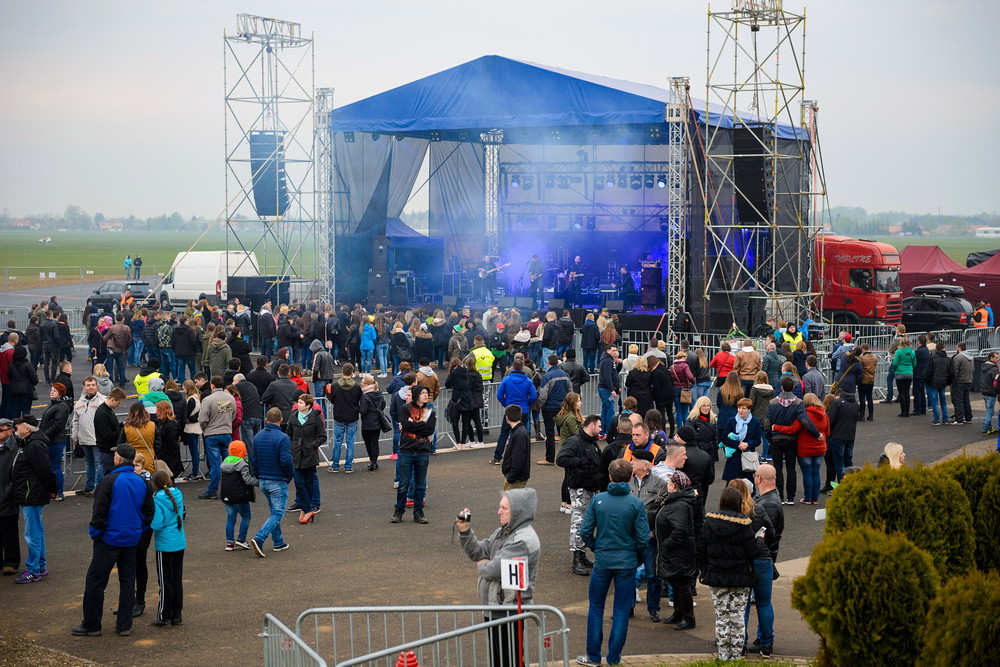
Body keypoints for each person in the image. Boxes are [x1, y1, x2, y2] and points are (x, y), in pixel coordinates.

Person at [73, 443, 154, 637]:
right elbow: (149, 512)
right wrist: (138, 530)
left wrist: (96, 533)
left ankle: (92, 624)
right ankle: (124, 625)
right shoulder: (142, 482)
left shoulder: (109, 480)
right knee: (127, 581)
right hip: (131, 539)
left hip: (109, 538)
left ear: (118, 459)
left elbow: (99, 511)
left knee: (95, 580)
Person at [575, 459, 649, 667]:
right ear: (630, 477)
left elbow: (585, 531)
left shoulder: (598, 500)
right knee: (621, 610)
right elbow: (643, 537)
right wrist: (636, 555)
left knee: (596, 607)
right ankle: (614, 658)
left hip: (603, 561)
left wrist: (596, 547)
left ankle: (593, 656)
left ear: (610, 477)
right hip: (626, 562)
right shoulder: (636, 503)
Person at [457, 488, 541, 667]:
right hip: (496, 609)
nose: (498, 512)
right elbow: (479, 551)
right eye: (500, 507)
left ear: (518, 511)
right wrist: (465, 532)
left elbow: (493, 569)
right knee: (499, 660)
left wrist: (481, 565)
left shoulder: (522, 540)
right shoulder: (503, 532)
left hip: (509, 612)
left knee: (509, 660)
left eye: (504, 508)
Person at [697, 486, 767, 662]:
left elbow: (700, 549)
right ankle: (735, 657)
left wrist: (704, 568)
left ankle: (722, 656)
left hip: (716, 577)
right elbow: (753, 552)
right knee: (736, 618)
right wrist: (760, 540)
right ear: (739, 503)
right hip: (740, 578)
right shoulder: (744, 525)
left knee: (721, 617)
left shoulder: (709, 522)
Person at [556, 414, 604, 576]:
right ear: (591, 426)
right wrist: (581, 461)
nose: (600, 429)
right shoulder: (575, 441)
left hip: (592, 487)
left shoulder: (592, 443)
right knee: (579, 522)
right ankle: (576, 557)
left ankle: (582, 555)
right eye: (599, 426)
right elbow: (561, 459)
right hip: (580, 489)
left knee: (588, 522)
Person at [10, 416, 56, 584]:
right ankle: (40, 566)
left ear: (27, 429)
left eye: (18, 426)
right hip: (31, 493)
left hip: (32, 494)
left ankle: (33, 570)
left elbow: (45, 470)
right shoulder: (29, 443)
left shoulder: (34, 445)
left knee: (32, 534)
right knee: (37, 531)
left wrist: (52, 489)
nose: (15, 428)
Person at [652, 469, 698, 630]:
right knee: (675, 582)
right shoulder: (676, 501)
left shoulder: (679, 504)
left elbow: (679, 530)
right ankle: (679, 613)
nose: (668, 485)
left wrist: (667, 545)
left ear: (675, 486)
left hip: (678, 552)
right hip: (676, 551)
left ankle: (688, 617)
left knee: (681, 584)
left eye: (670, 483)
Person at [746, 463, 783, 657]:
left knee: (762, 603)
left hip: (761, 559)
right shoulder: (770, 499)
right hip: (766, 558)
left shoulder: (767, 504)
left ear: (759, 479)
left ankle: (765, 640)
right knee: (764, 603)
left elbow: (767, 534)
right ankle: (764, 640)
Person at [766, 376, 820, 505]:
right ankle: (790, 497)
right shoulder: (798, 403)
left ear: (782, 387)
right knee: (791, 468)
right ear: (793, 388)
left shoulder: (772, 403)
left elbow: (767, 422)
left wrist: (769, 437)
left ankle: (779, 496)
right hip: (791, 440)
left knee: (777, 468)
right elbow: (805, 421)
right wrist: (816, 434)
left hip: (776, 438)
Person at [628, 448, 667, 621]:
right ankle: (627, 607)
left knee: (653, 575)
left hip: (649, 538)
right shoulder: (626, 481)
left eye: (634, 460)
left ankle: (653, 609)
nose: (630, 463)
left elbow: (664, 512)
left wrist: (654, 532)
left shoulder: (660, 484)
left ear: (645, 465)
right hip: (629, 538)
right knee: (627, 573)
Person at [250, 408, 293, 557]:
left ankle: (278, 541)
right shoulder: (283, 438)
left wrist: (258, 475)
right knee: (278, 513)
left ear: (266, 420)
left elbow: (254, 460)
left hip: (263, 479)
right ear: (281, 420)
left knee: (274, 511)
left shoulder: (257, 437)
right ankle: (259, 538)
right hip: (277, 479)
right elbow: (286, 460)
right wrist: (289, 476)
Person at [774, 393, 830, 504]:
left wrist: (776, 427)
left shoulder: (803, 414)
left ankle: (808, 498)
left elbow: (793, 429)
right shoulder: (824, 414)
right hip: (820, 447)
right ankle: (815, 498)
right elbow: (827, 432)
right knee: (816, 472)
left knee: (807, 473)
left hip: (805, 448)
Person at [148, 470, 185, 628]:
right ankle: (177, 613)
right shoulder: (177, 493)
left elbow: (157, 523)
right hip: (179, 541)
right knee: (176, 578)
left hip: (165, 544)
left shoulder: (158, 499)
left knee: (165, 581)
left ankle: (164, 615)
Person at [287, 394, 325, 523]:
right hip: (297, 453)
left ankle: (306, 509)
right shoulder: (293, 416)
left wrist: (312, 445)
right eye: (298, 402)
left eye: (301, 403)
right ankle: (306, 508)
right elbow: (289, 434)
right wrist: (292, 446)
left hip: (309, 454)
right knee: (299, 482)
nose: (298, 404)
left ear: (308, 405)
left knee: (309, 483)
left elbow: (322, 436)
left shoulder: (316, 417)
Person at [491, 360, 537, 464]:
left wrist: (506, 404)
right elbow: (533, 396)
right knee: (521, 434)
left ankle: (497, 457)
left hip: (510, 409)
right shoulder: (528, 381)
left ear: (512, 367)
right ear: (522, 367)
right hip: (523, 410)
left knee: (504, 433)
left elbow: (499, 395)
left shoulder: (506, 380)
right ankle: (520, 457)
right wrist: (527, 403)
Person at [198, 376, 236, 499]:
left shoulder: (208, 400)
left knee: (215, 465)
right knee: (228, 464)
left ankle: (212, 490)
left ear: (212, 385)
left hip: (212, 434)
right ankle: (230, 489)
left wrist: (205, 429)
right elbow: (233, 414)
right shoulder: (230, 398)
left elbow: (203, 419)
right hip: (226, 432)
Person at [220, 440, 257, 551]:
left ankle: (229, 542)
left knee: (231, 518)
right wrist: (259, 482)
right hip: (240, 496)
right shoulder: (242, 464)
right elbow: (247, 480)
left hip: (227, 496)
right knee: (246, 516)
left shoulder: (225, 462)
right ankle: (241, 539)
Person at [326, 363, 361, 473]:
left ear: (342, 372)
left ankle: (335, 465)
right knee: (350, 442)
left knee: (337, 442)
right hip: (352, 416)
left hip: (339, 415)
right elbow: (359, 398)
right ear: (352, 372)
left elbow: (332, 399)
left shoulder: (335, 385)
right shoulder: (356, 386)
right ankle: (348, 466)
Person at [0, 419, 21, 575]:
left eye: (1, 430)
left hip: (8, 496)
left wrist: (9, 493)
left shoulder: (16, 448)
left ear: (10, 431)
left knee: (9, 532)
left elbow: (17, 475)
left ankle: (11, 562)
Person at [358, 376, 386, 471]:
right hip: (377, 421)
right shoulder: (379, 393)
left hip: (367, 423)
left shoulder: (365, 396)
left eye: (362, 382)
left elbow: (363, 411)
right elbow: (383, 404)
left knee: (368, 443)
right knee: (375, 442)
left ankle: (372, 461)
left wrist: (357, 407)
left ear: (366, 384)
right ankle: (374, 462)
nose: (361, 383)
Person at [500, 405, 531, 490]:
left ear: (507, 418)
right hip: (517, 477)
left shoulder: (518, 434)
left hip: (516, 479)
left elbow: (518, 459)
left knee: (509, 502)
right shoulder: (519, 431)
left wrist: (511, 477)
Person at [924, 342, 951, 426]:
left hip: (934, 382)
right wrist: (948, 381)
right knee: (943, 401)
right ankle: (945, 418)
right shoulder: (947, 359)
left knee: (935, 401)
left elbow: (929, 372)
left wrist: (928, 381)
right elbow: (950, 372)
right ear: (944, 348)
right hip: (943, 381)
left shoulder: (932, 358)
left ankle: (936, 419)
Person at [597, 347, 621, 438]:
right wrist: (612, 389)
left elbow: (614, 374)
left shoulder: (610, 360)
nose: (615, 352)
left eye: (616, 350)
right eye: (613, 350)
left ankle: (603, 430)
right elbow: (607, 376)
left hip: (605, 388)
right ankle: (608, 431)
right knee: (610, 410)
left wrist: (617, 386)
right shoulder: (607, 361)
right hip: (606, 389)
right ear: (608, 351)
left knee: (605, 409)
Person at [889, 336, 916, 418]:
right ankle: (907, 411)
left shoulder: (899, 352)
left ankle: (903, 411)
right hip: (909, 373)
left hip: (900, 373)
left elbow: (895, 363)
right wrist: (910, 369)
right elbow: (914, 363)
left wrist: (894, 369)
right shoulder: (912, 352)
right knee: (907, 392)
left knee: (901, 393)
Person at [949, 342, 974, 425]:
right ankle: (968, 417)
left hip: (959, 381)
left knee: (958, 401)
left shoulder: (958, 357)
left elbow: (955, 371)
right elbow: (973, 369)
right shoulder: (971, 357)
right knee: (966, 400)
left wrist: (953, 381)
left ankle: (959, 419)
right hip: (968, 380)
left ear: (959, 348)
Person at [981, 351, 999, 435]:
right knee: (990, 411)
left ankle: (989, 427)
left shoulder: (984, 367)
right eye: (996, 357)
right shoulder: (994, 369)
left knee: (988, 410)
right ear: (991, 358)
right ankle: (985, 428)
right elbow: (996, 383)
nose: (997, 359)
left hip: (985, 391)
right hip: (991, 392)